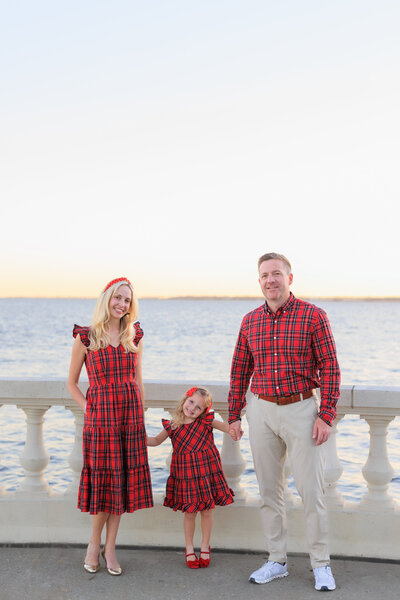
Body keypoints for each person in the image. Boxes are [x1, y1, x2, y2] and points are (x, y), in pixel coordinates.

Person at [228, 253, 340, 592]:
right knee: (269, 492)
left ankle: (321, 564)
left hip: (301, 410)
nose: (270, 280)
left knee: (312, 492)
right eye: (264, 275)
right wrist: (234, 414)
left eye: (276, 273)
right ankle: (276, 560)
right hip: (261, 410)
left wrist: (326, 414)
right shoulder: (250, 321)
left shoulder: (313, 316)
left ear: (290, 278)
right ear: (259, 281)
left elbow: (331, 369)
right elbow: (239, 371)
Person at [67, 277, 153, 576]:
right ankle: (94, 544)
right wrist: (90, 409)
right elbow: (72, 383)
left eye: (127, 300)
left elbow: (138, 382)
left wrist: (140, 420)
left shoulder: (134, 336)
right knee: (105, 484)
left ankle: (111, 547)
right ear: (107, 299)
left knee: (123, 487)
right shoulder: (87, 337)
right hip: (101, 422)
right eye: (118, 298)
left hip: (129, 418)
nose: (122, 304)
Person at [147, 386, 234, 569]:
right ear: (185, 400)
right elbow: (155, 441)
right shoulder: (173, 426)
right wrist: (135, 436)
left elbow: (228, 428)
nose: (192, 408)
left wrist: (236, 428)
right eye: (191, 402)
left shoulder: (206, 422)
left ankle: (204, 546)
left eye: (198, 407)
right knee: (189, 513)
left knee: (207, 511)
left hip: (206, 472)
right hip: (186, 475)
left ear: (204, 411)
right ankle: (189, 548)